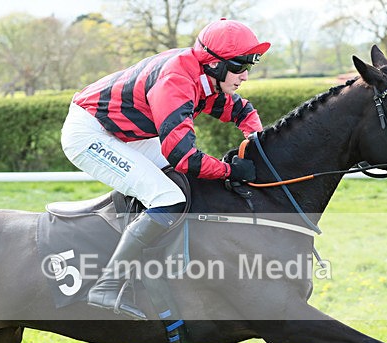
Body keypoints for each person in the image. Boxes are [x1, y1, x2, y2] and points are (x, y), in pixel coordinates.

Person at [60, 19, 269, 319]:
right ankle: (107, 284)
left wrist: (255, 138)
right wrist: (229, 171)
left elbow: (238, 108)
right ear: (215, 64)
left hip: (122, 132)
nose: (245, 75)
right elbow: (185, 157)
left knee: (178, 185)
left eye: (249, 65)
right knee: (167, 198)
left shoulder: (201, 73)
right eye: (239, 67)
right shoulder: (177, 81)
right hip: (89, 133)